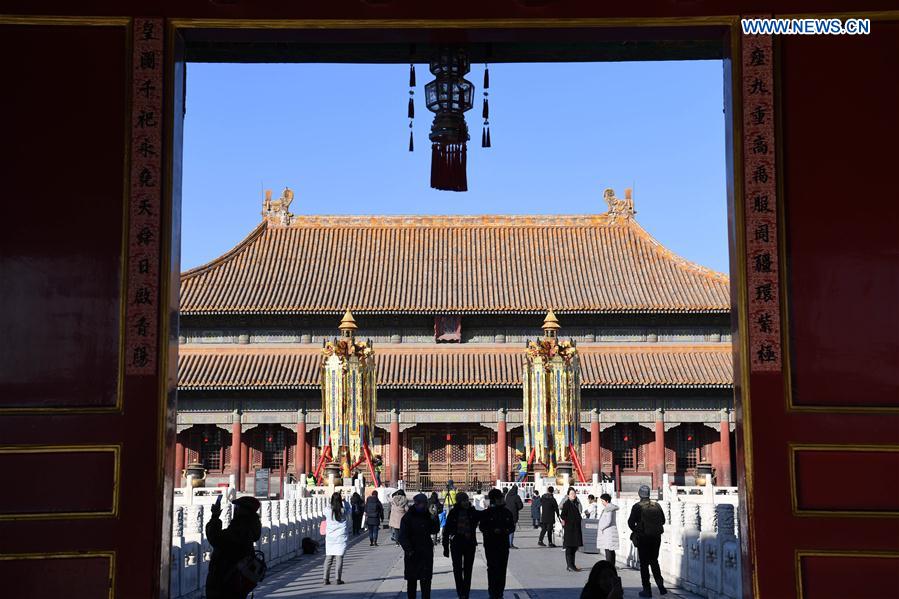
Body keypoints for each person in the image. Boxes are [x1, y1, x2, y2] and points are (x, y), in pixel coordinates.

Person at [205, 496, 262, 599]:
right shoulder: (249, 527)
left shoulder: (240, 528)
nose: (235, 510)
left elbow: (215, 538)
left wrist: (215, 517)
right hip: (237, 581)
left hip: (226, 580)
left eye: (237, 507)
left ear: (244, 511)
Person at [627, 485, 668, 597]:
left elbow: (630, 523)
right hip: (656, 537)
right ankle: (661, 586)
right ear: (649, 494)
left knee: (644, 564)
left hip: (643, 538)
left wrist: (637, 530)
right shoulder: (657, 505)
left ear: (639, 494)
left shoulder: (637, 507)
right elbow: (663, 521)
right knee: (654, 561)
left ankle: (647, 589)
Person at [399, 493, 440, 599]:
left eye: (426, 504)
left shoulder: (428, 515)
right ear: (417, 504)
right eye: (424, 504)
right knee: (412, 582)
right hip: (413, 553)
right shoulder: (408, 517)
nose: (425, 506)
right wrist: (409, 550)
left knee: (426, 581)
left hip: (425, 552)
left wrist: (435, 518)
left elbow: (434, 530)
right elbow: (403, 537)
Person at [442, 491, 480, 599]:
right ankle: (460, 590)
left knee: (468, 569)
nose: (466, 502)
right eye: (464, 500)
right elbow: (446, 531)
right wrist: (445, 548)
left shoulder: (472, 512)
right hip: (456, 543)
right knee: (457, 568)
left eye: (467, 500)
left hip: (469, 543)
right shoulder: (453, 513)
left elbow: (483, 518)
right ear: (459, 501)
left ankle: (466, 591)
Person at [479, 488, 516, 599]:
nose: (502, 499)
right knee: (492, 568)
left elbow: (511, 527)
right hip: (491, 544)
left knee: (501, 568)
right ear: (495, 499)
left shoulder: (506, 512)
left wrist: (504, 531)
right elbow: (482, 527)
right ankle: (493, 592)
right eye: (500, 497)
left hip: (503, 544)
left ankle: (499, 592)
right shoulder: (487, 513)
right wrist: (492, 531)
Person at [322, 492, 351, 585]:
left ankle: (325, 578)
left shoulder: (327, 510)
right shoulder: (343, 510)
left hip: (330, 537)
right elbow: (350, 509)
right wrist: (345, 501)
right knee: (339, 557)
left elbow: (324, 512)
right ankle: (338, 578)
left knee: (329, 558)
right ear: (339, 500)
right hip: (341, 537)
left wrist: (331, 504)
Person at [560, 487, 584, 572]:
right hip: (570, 529)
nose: (573, 495)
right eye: (571, 494)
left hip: (576, 528)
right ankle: (570, 565)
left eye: (574, 494)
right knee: (569, 548)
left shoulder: (576, 503)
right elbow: (563, 515)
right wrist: (568, 521)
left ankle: (572, 564)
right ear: (568, 495)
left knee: (574, 548)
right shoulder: (567, 504)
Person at [597, 493, 619, 564]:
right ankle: (611, 565)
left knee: (608, 550)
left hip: (608, 532)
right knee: (610, 550)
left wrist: (601, 528)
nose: (602, 502)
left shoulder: (609, 508)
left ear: (606, 501)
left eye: (602, 501)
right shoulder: (610, 508)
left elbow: (608, 521)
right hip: (609, 532)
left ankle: (609, 565)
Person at [503, 484, 524, 548]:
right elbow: (520, 506)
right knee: (512, 530)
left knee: (507, 529)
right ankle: (510, 544)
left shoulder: (507, 496)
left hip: (506, 515)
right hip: (513, 515)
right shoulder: (516, 496)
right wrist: (516, 509)